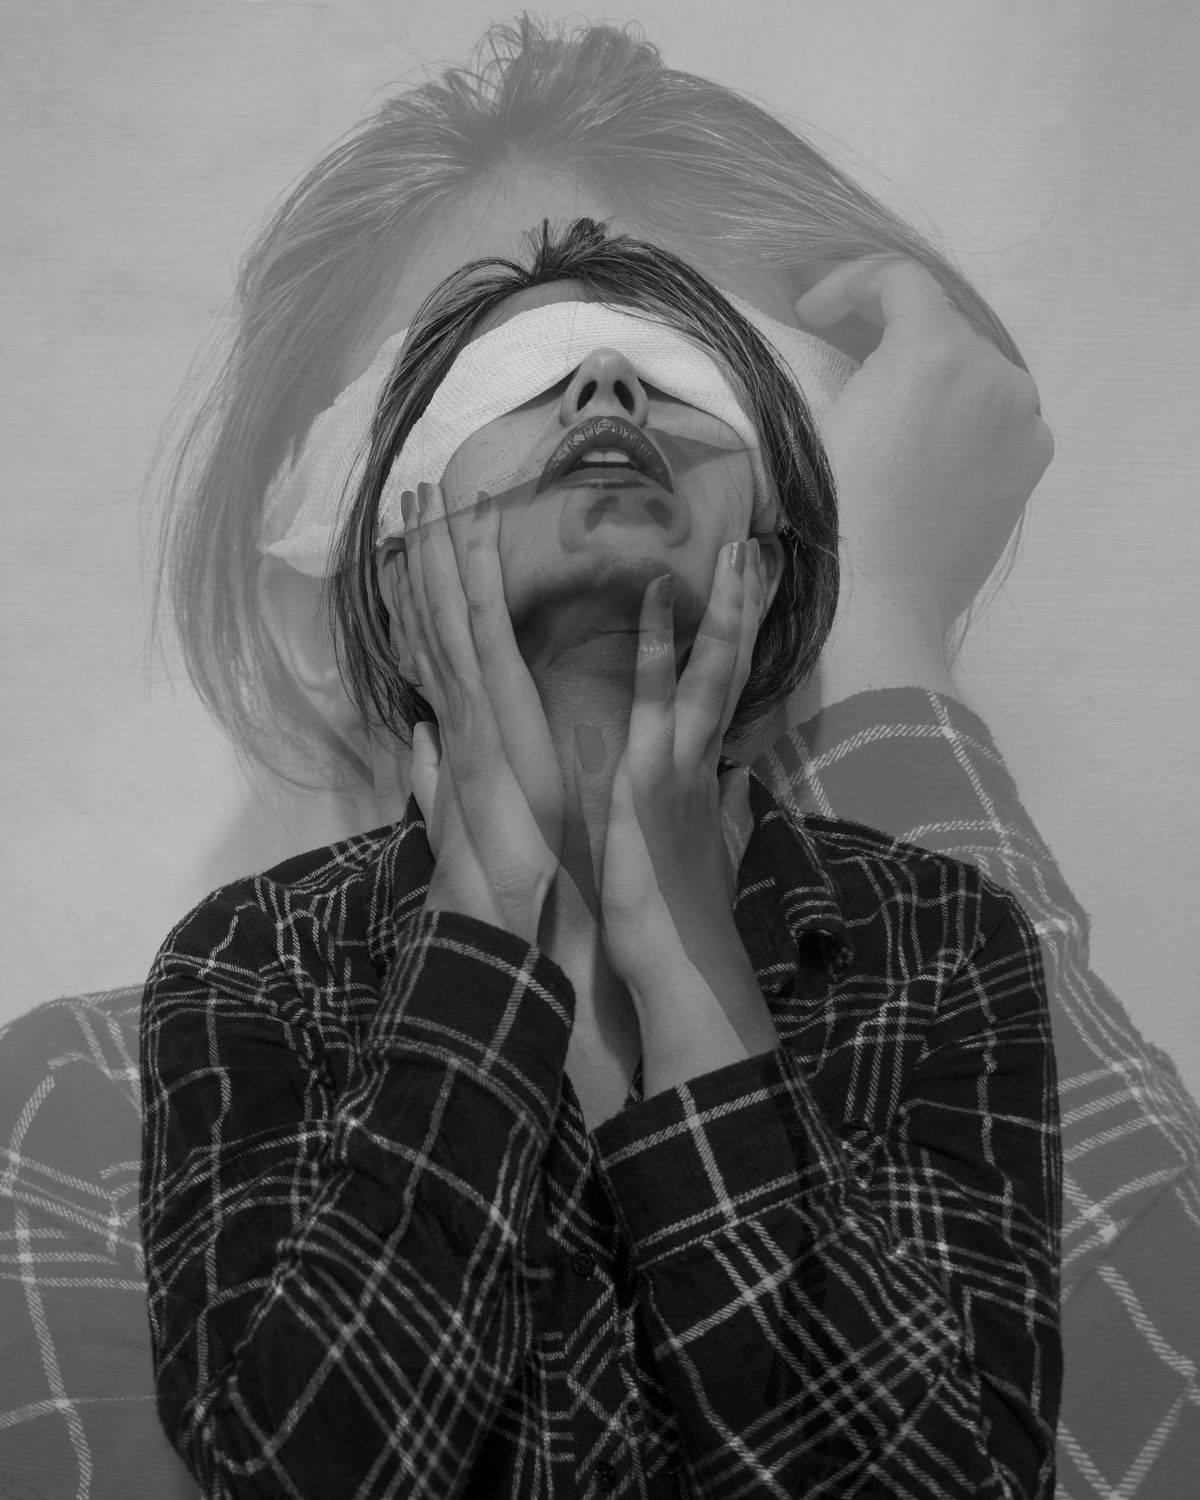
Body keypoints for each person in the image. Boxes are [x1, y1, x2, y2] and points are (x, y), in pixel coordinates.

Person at [139, 215, 1062, 1497]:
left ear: (769, 566)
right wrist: (482, 924)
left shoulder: (937, 941)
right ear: (399, 581)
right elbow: (299, 1471)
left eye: (677, 381)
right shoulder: (258, 963)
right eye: (522, 380)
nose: (610, 385)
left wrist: (690, 970)